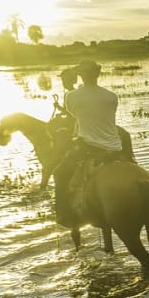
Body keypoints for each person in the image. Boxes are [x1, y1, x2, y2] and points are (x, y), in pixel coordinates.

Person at [53, 60, 124, 227]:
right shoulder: (111, 96)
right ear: (98, 74)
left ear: (80, 75)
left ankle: (64, 215)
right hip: (115, 147)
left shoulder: (72, 96)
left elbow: (74, 114)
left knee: (59, 173)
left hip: (90, 148)